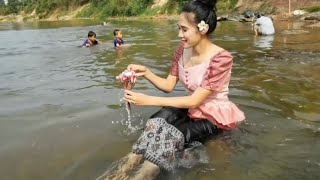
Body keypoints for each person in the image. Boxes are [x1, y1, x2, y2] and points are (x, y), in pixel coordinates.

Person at [107, 0, 245, 179]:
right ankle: (124, 168)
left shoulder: (221, 58)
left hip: (214, 115)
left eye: (184, 29)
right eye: (179, 28)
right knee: (156, 122)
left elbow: (196, 100)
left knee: (173, 136)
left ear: (202, 29)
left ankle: (142, 176)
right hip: (191, 107)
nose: (179, 34)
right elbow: (168, 86)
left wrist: (149, 100)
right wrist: (146, 72)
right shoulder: (182, 50)